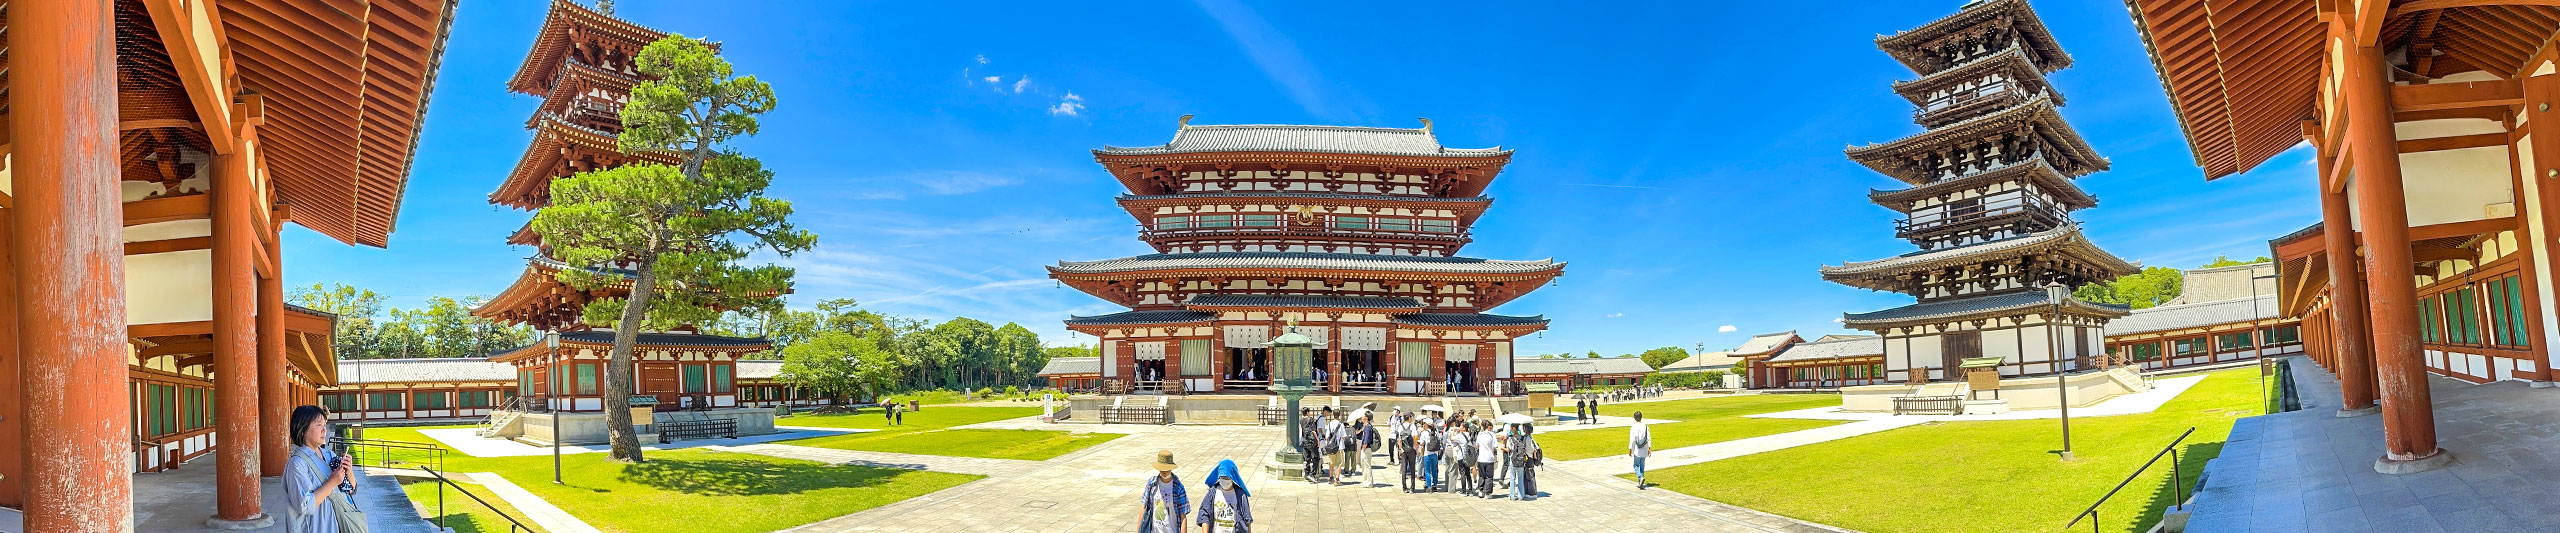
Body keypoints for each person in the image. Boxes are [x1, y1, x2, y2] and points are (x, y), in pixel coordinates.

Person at [283, 405, 353, 533]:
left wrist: (349, 471)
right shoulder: (297, 464)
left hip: (335, 525)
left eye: (324, 425)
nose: (324, 430)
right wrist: (331, 482)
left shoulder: (329, 455)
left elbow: (349, 490)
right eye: (319, 425)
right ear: (303, 429)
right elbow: (304, 506)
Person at [1139, 450, 1189, 533]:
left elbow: (1183, 516)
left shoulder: (1178, 487)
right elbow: (1143, 507)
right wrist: (1138, 530)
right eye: (1161, 469)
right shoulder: (1152, 484)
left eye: (1166, 469)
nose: (1163, 471)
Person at [1198, 459, 1252, 533]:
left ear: (1232, 477)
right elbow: (1204, 514)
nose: (1224, 480)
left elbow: (1247, 519)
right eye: (1222, 477)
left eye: (1227, 478)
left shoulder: (1241, 495)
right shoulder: (1213, 492)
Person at [1629, 411, 1651, 490]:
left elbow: (1632, 440)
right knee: (1642, 466)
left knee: (1635, 465)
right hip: (1644, 448)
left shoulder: (1634, 427)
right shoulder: (1645, 426)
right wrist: (1649, 448)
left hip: (1637, 449)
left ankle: (1640, 477)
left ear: (1634, 418)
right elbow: (1648, 438)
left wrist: (1630, 449)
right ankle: (1640, 481)